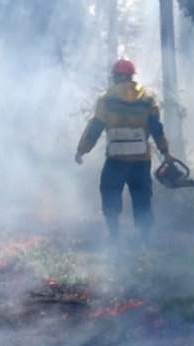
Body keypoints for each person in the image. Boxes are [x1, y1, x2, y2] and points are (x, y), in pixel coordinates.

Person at [75, 58, 170, 240]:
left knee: (109, 192)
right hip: (141, 161)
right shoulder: (148, 99)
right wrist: (165, 152)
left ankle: (113, 236)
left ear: (116, 77)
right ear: (132, 77)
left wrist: (82, 150)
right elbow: (157, 128)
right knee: (142, 199)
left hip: (116, 160)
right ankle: (144, 241)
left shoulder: (107, 99)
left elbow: (96, 126)